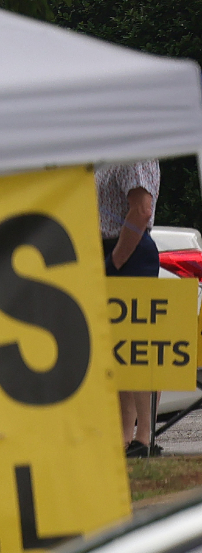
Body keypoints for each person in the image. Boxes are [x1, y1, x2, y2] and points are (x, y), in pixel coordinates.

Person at [100, 160, 162, 456]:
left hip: (128, 251)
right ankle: (126, 435)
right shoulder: (107, 152)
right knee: (119, 348)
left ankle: (145, 437)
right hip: (112, 250)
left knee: (139, 346)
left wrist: (116, 261)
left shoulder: (135, 152)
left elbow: (141, 209)